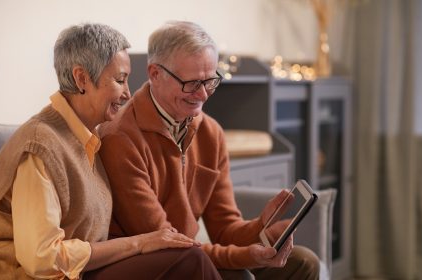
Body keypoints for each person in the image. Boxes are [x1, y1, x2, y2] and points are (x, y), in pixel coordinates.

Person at [0, 23, 221, 280]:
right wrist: (138, 243)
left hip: (81, 271)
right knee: (188, 260)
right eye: (120, 80)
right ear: (82, 79)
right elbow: (42, 259)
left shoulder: (87, 137)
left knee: (191, 260)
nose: (127, 93)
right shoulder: (40, 146)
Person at [99, 20, 320, 279]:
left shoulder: (211, 133)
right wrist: (247, 257)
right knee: (240, 276)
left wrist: (264, 226)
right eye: (192, 83)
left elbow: (225, 229)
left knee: (304, 263)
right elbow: (169, 243)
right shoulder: (120, 138)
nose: (203, 95)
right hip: (154, 263)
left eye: (210, 81)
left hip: (190, 256)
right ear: (155, 73)